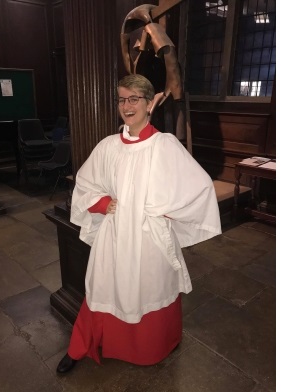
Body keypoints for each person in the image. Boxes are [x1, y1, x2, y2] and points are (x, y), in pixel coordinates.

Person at [56, 74, 221, 373]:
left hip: (149, 239)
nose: (126, 105)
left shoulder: (165, 145)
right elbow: (85, 183)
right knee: (104, 285)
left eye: (133, 99)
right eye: (121, 99)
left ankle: (152, 346)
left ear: (149, 104)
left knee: (149, 287)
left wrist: (164, 209)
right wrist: (102, 203)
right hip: (115, 234)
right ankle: (81, 345)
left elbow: (199, 187)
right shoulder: (108, 146)